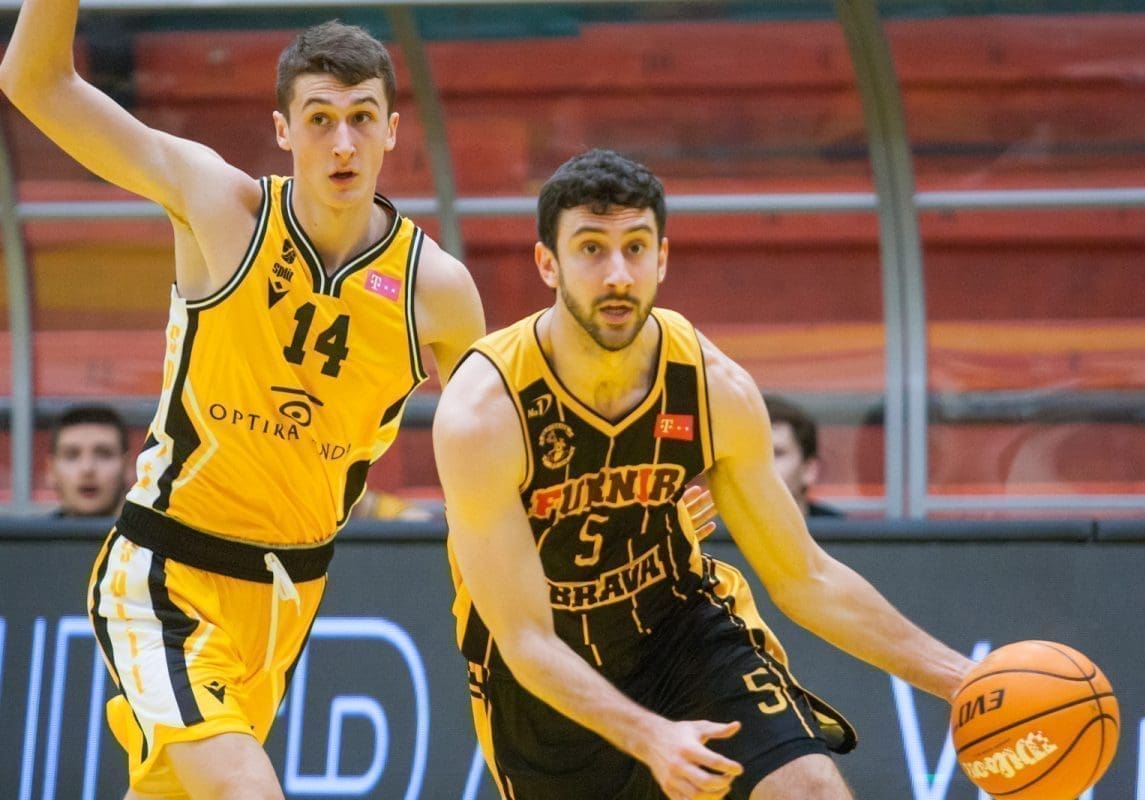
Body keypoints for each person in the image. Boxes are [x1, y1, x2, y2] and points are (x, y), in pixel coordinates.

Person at [0, 15, 485, 800]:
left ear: (393, 130)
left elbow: (490, 461)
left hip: (286, 601)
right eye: (319, 119)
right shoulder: (220, 206)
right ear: (283, 130)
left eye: (362, 118)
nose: (342, 144)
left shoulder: (436, 290)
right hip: (166, 574)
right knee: (245, 790)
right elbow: (34, 81)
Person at [432, 148, 973, 800]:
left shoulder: (711, 387)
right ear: (548, 263)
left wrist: (961, 679)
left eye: (636, 247)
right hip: (543, 684)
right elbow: (525, 638)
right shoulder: (484, 414)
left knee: (810, 789)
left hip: (678, 632)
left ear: (662, 257)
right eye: (591, 249)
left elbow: (805, 576)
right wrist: (650, 735)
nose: (618, 274)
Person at [762, 394, 843, 518]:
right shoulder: (724, 530)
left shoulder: (840, 528)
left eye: (776, 453)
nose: (760, 465)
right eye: (748, 454)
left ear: (810, 469)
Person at [46, 403, 133, 517]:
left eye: (104, 454)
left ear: (128, 467)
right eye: (72, 455)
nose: (87, 468)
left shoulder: (153, 529)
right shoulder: (28, 530)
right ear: (51, 469)